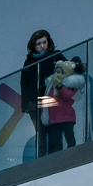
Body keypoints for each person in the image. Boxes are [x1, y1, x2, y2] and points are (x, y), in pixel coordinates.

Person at [20, 30, 84, 158]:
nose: (42, 46)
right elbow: (25, 84)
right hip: (36, 101)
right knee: (41, 132)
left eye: (44, 42)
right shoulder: (28, 62)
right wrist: (26, 105)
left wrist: (80, 67)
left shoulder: (54, 56)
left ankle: (55, 157)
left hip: (51, 98)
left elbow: (68, 68)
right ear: (33, 46)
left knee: (54, 128)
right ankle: (43, 159)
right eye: (39, 43)